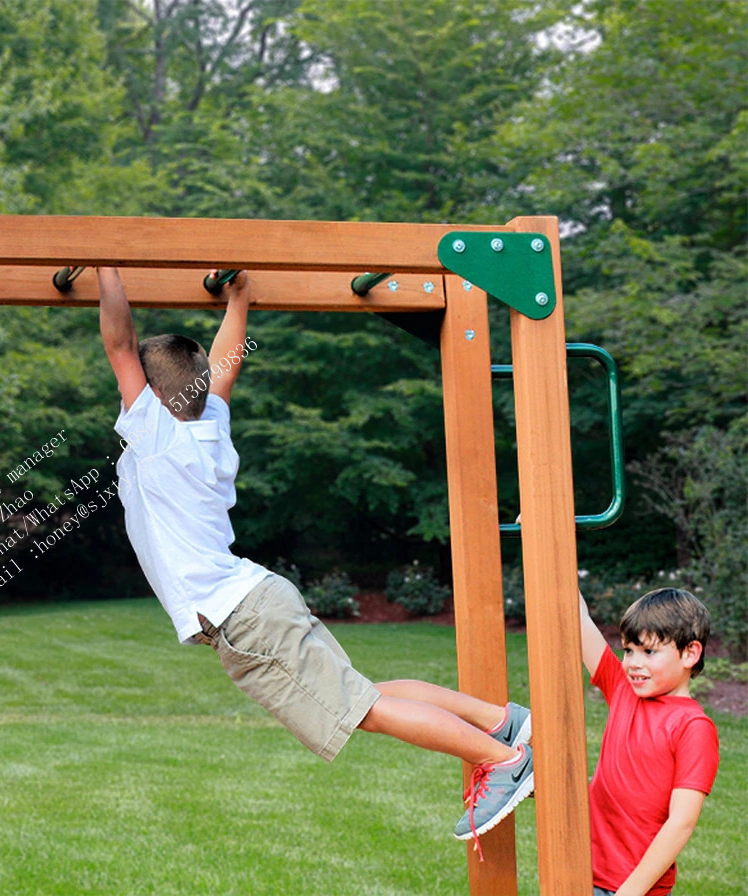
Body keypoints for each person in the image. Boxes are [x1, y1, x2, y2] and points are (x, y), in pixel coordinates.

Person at [96, 266, 534, 849]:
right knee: (365, 693)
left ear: (150, 395)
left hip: (244, 618)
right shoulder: (207, 425)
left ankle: (503, 758)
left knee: (364, 708)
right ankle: (497, 721)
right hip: (257, 601)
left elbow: (121, 343)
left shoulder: (154, 433)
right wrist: (239, 301)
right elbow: (223, 364)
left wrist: (105, 261)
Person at [580, 587, 719, 896]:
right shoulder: (623, 689)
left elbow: (681, 821)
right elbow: (579, 621)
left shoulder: (693, 727)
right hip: (581, 872)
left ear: (689, 654)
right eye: (628, 650)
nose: (632, 663)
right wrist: (553, 548)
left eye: (648, 652)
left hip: (634, 888)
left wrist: (631, 891)